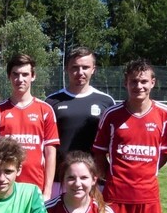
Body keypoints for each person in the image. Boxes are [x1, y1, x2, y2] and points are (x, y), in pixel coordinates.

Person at [92, 58, 167, 213]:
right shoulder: (112, 114)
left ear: (152, 83)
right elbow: (99, 153)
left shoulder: (164, 114)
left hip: (148, 196)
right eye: (134, 81)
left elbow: (164, 154)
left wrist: (146, 173)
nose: (139, 86)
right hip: (116, 194)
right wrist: (110, 178)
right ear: (125, 83)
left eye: (144, 81)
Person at [45, 46, 115, 197]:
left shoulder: (106, 102)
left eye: (85, 67)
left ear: (93, 69)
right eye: (75, 67)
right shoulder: (52, 101)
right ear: (66, 69)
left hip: (93, 179)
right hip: (59, 179)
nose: (80, 72)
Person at [0, 53, 59, 200]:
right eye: (15, 74)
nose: (20, 79)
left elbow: (50, 153)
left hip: (36, 189)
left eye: (25, 74)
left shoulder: (45, 110)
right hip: (5, 188)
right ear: (9, 76)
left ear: (33, 76)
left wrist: (47, 192)